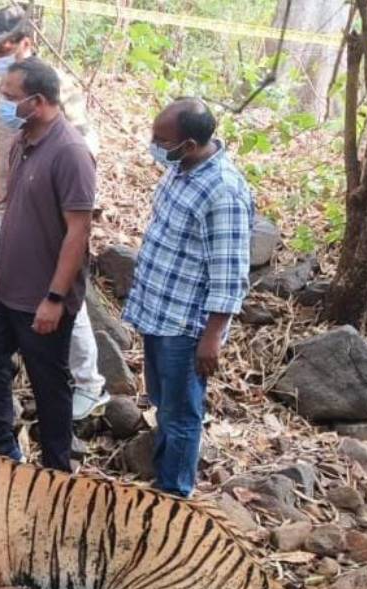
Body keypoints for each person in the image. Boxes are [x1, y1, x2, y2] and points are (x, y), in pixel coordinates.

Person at [0, 6, 109, 421]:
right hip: (8, 205)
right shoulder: (2, 90)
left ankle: (88, 382)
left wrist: (68, 209)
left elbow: (81, 155)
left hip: (49, 208)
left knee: (57, 300)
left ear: (26, 42)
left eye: (3, 48)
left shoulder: (56, 89)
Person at [0, 58, 96, 471]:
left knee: (49, 387)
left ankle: (57, 472)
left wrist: (55, 298)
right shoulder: (23, 140)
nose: (3, 103)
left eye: (10, 97)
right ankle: (1, 452)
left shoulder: (71, 153)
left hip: (41, 298)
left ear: (38, 101)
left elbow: (78, 233)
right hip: (5, 290)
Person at [124, 98, 252, 497]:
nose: (154, 146)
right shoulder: (181, 169)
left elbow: (229, 274)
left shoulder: (224, 191)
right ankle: (163, 475)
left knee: (182, 415)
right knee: (164, 403)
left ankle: (174, 494)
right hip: (158, 311)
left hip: (185, 325)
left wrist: (212, 337)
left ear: (191, 143)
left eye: (162, 140)